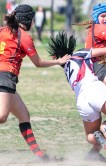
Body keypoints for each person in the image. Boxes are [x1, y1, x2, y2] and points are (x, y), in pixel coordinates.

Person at [47, 32, 106, 162]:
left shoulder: (66, 69)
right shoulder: (79, 54)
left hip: (82, 100)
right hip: (95, 90)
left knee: (90, 135)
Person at [0, 4, 69, 160]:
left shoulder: (3, 30)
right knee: (2, 116)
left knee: (24, 115)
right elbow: (38, 62)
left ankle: (39, 155)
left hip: (5, 78)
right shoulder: (24, 36)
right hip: (5, 76)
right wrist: (58, 61)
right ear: (29, 20)